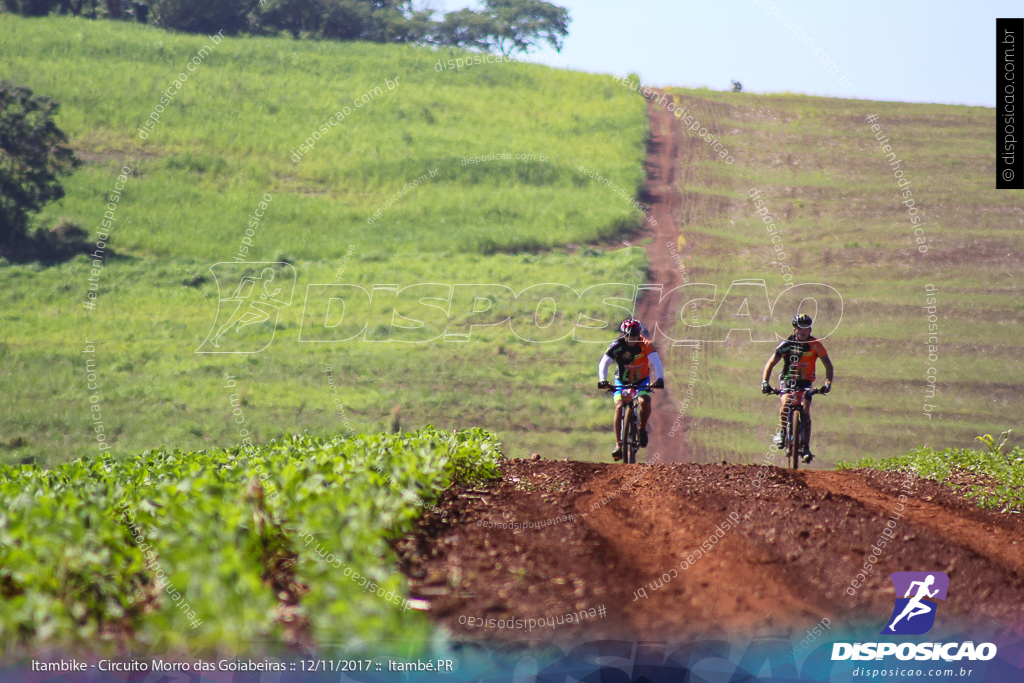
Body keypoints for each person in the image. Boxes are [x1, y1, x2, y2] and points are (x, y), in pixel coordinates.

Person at [760, 314, 834, 463]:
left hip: (805, 382)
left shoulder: (816, 345)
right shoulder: (786, 345)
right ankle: (782, 433)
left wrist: (827, 383)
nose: (803, 331)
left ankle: (806, 448)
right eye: (800, 328)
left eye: (806, 328)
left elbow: (828, 365)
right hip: (787, 380)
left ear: (810, 329)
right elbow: (770, 363)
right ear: (794, 330)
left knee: (805, 410)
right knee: (786, 402)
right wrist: (765, 382)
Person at [598, 318, 665, 461]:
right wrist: (603, 380)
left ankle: (642, 429)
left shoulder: (644, 344)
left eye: (635, 334)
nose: (633, 338)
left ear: (639, 333)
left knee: (644, 402)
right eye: (629, 335)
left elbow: (656, 361)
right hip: (621, 381)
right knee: (619, 406)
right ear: (623, 334)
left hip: (642, 380)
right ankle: (618, 444)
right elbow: (604, 361)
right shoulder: (617, 345)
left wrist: (659, 379)